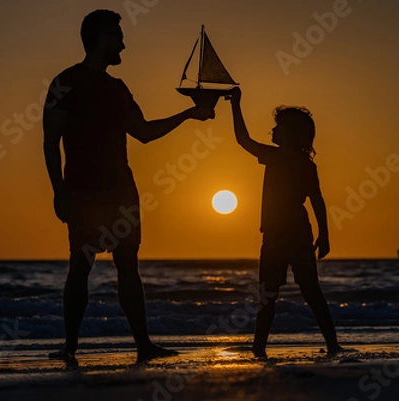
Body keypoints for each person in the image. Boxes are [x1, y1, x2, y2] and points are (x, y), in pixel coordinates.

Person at [43, 9, 214, 366]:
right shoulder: (64, 82)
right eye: (118, 36)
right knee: (81, 263)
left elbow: (145, 133)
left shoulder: (118, 88)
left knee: (128, 265)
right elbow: (50, 141)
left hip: (121, 191)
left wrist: (187, 115)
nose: (123, 44)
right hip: (84, 192)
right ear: (102, 37)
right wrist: (59, 191)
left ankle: (143, 345)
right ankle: (70, 347)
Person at [227, 87, 346, 357]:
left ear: (292, 134)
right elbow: (317, 201)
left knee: (271, 295)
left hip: (284, 235)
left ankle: (260, 349)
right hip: (289, 234)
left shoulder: (281, 158)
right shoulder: (301, 163)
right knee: (305, 291)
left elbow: (242, 140)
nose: (273, 130)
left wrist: (236, 105)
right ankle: (330, 344)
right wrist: (324, 234)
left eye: (278, 127)